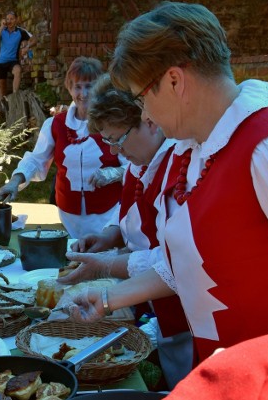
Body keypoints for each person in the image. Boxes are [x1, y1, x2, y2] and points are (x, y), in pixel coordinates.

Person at [65, 2, 268, 365]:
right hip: (221, 365)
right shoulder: (192, 151)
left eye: (141, 98)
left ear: (173, 80)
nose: (145, 114)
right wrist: (106, 299)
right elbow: (180, 265)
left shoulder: (267, 149)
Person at [58, 73, 192, 388]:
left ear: (150, 120)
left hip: (187, 316)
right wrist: (109, 235)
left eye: (117, 138)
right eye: (108, 141)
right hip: (157, 309)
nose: (115, 151)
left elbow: (173, 259)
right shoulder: (139, 161)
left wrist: (106, 265)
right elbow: (129, 212)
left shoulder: (178, 167)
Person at [0, 57, 127, 238]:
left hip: (108, 217)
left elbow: (135, 166)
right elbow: (37, 159)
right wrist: (14, 182)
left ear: (99, 89)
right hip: (67, 218)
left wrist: (112, 174)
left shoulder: (112, 123)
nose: (83, 93)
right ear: (69, 88)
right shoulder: (55, 124)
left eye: (89, 86)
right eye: (78, 87)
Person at [0, 10, 37, 109]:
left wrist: (27, 47)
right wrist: (1, 27)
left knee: (18, 70)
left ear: (16, 20)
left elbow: (34, 39)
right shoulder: (2, 30)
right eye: (7, 19)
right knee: (2, 88)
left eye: (11, 19)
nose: (9, 21)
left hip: (13, 61)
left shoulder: (20, 31)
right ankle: (3, 110)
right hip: (0, 62)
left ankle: (15, 97)